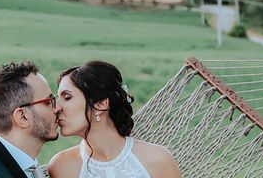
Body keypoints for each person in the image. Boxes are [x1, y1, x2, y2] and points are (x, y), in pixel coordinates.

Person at [48, 61, 180, 178]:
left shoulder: (158, 158)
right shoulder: (61, 166)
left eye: (67, 97)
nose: (56, 108)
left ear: (100, 104)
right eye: (57, 98)